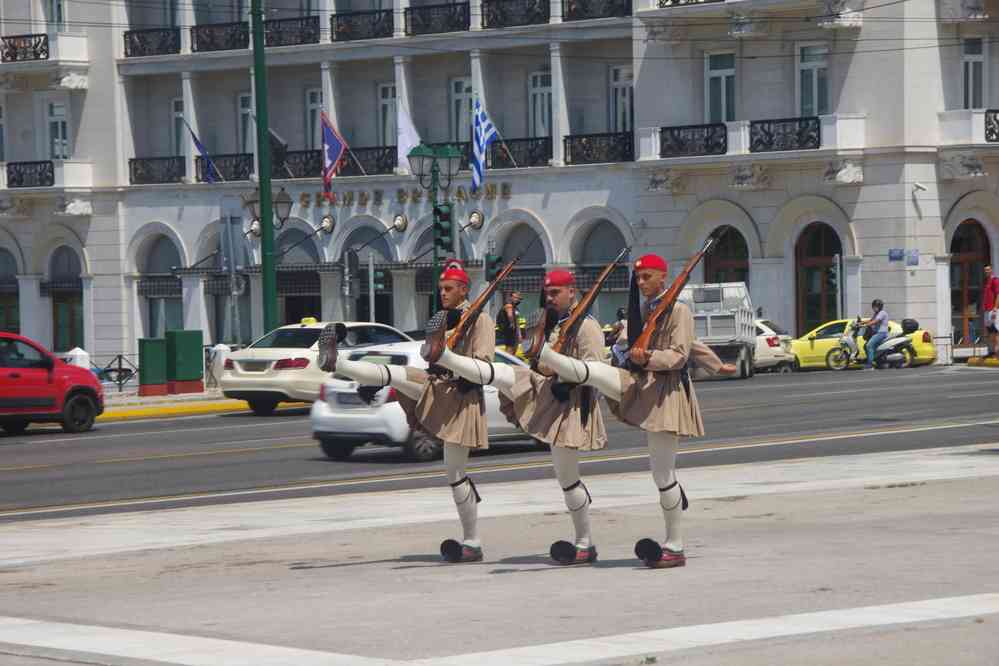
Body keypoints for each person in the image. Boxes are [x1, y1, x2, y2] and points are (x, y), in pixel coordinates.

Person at [526, 253, 713, 569]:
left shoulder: (679, 310)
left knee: (663, 474)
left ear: (663, 277)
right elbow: (626, 348)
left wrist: (647, 356)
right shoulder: (641, 311)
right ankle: (584, 544)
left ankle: (675, 544)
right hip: (640, 385)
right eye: (638, 278)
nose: (641, 283)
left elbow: (680, 355)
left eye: (647, 277)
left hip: (666, 393)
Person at [317, 263, 496, 563]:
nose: (443, 293)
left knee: (455, 474)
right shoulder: (445, 321)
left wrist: (449, 360)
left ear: (464, 289)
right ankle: (338, 361)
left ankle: (472, 542)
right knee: (397, 373)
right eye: (440, 288)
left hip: (463, 399)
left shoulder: (481, 321)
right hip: (438, 387)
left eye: (449, 288)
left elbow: (484, 366)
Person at [860, 299, 889, 369]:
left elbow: (876, 321)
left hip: (881, 333)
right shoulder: (876, 313)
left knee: (869, 345)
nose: (873, 308)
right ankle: (876, 361)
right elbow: (871, 320)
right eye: (873, 306)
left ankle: (870, 365)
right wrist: (861, 322)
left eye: (875, 307)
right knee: (865, 346)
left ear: (879, 306)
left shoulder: (882, 313)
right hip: (877, 333)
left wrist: (866, 325)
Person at [984, 265, 999, 358]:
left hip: (993, 310)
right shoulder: (987, 282)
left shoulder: (995, 280)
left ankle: (997, 353)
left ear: (992, 270)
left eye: (988, 270)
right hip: (987, 310)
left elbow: (998, 294)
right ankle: (992, 351)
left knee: (996, 331)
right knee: (990, 332)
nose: (987, 271)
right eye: (985, 270)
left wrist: (995, 308)